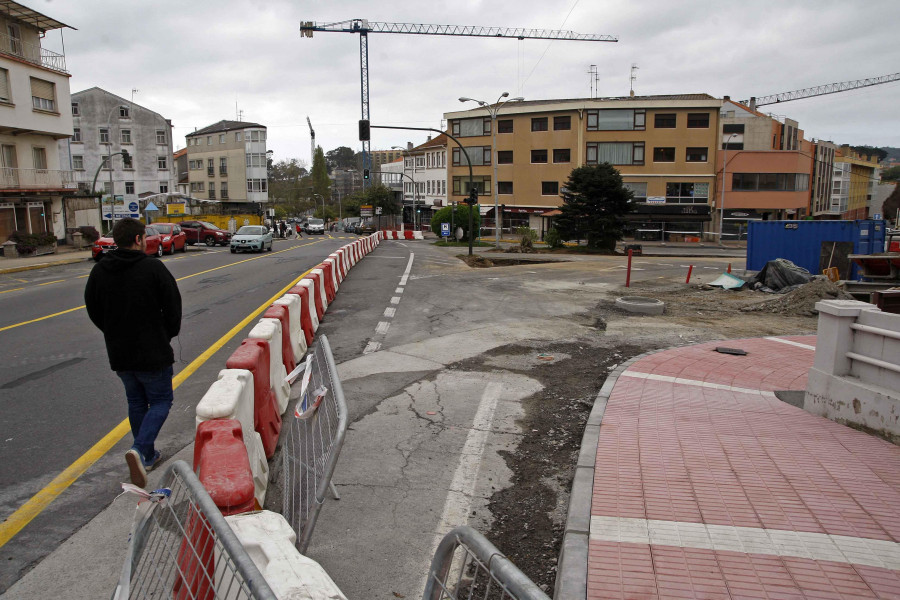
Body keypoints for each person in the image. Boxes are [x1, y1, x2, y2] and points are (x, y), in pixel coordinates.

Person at [84, 218, 182, 488]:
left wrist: (111, 331)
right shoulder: (153, 268)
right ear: (138, 240)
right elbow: (173, 306)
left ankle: (147, 456)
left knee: (137, 402)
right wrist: (167, 333)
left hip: (120, 352)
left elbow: (93, 308)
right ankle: (140, 450)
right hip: (153, 351)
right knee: (161, 401)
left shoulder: (100, 270)